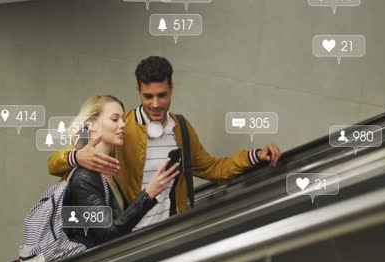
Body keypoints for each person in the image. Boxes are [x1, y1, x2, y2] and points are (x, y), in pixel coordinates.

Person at [49, 56, 282, 230]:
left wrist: (254, 156)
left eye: (162, 95)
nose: (156, 104)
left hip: (167, 234)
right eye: (148, 96)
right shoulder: (120, 127)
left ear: (171, 88)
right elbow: (53, 163)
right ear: (138, 91)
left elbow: (212, 168)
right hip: (127, 236)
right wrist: (75, 156)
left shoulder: (181, 128)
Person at [63, 95, 180, 247]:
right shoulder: (84, 177)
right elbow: (108, 234)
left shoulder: (107, 173)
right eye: (114, 119)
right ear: (92, 125)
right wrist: (148, 194)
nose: (123, 125)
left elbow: (119, 224)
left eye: (123, 119)